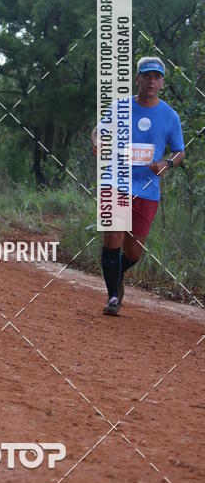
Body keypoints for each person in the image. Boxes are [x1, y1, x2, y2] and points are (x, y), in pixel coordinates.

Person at [92, 56, 185, 316]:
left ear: (162, 83)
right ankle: (113, 297)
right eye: (146, 76)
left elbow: (179, 151)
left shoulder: (170, 116)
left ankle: (117, 274)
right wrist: (98, 141)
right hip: (115, 179)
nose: (151, 81)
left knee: (133, 251)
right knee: (113, 235)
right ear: (138, 79)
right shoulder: (121, 107)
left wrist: (166, 163)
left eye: (156, 77)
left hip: (146, 188)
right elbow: (99, 130)